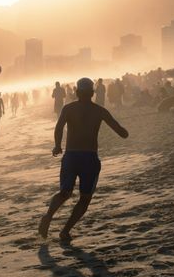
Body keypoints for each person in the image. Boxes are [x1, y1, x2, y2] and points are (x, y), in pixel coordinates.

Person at [38, 77, 129, 244]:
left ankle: (48, 216)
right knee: (85, 198)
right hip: (89, 157)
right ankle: (65, 231)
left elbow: (59, 127)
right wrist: (124, 130)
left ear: (76, 92)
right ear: (93, 93)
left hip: (71, 156)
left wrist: (57, 145)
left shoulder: (68, 108)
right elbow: (122, 132)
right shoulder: (100, 111)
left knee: (65, 193)